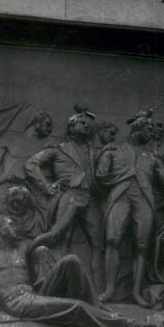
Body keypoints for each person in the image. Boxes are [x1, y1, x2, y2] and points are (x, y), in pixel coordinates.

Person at [0, 214, 154, 327]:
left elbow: (48, 238)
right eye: (10, 224)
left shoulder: (21, 248)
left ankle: (100, 310)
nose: (15, 227)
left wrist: (71, 211)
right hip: (18, 303)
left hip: (35, 294)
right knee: (77, 307)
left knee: (71, 260)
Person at [95, 111, 164, 305]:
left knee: (142, 247)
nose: (152, 134)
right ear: (136, 129)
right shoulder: (114, 149)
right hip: (120, 196)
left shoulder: (152, 158)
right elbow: (100, 176)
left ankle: (136, 292)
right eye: (148, 129)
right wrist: (106, 158)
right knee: (112, 238)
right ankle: (109, 289)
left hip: (144, 200)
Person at [25, 107, 104, 288]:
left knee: (98, 244)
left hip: (90, 198)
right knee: (61, 239)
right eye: (82, 123)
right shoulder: (58, 149)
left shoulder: (93, 150)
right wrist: (47, 186)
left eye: (88, 124)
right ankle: (59, 283)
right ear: (71, 126)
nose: (86, 126)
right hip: (69, 195)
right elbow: (31, 164)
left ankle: (98, 289)